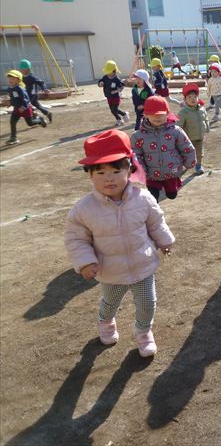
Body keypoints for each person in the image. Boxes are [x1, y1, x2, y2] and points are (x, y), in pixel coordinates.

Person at [64, 129, 176, 357]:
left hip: (143, 264)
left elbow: (156, 222)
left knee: (147, 303)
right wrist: (85, 262)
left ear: (130, 170)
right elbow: (76, 238)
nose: (109, 178)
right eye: (101, 172)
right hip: (111, 270)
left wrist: (164, 240)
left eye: (116, 171)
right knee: (110, 302)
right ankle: (106, 322)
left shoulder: (143, 198)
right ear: (90, 174)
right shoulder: (84, 208)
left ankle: (143, 332)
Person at [131, 96, 196, 202]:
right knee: (153, 198)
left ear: (167, 114)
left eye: (161, 114)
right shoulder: (138, 136)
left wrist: (189, 162)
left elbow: (186, 147)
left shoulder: (175, 131)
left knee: (172, 194)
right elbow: (135, 154)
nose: (158, 117)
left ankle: (171, 190)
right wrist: (141, 169)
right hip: (151, 174)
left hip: (171, 171)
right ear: (145, 115)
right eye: (153, 114)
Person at [4, 69, 46, 145]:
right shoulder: (10, 88)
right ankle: (13, 138)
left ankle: (40, 120)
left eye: (13, 78)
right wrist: (10, 103)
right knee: (12, 122)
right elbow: (13, 98)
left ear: (18, 80)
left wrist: (23, 107)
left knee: (30, 123)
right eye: (9, 78)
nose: (10, 80)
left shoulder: (20, 88)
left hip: (25, 109)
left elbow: (26, 99)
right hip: (17, 109)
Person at [176, 83, 209, 175]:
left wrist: (207, 127)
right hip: (188, 138)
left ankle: (198, 165)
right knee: (187, 153)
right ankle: (184, 164)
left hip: (200, 136)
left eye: (195, 96)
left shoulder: (202, 109)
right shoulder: (183, 112)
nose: (192, 99)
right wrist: (178, 136)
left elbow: (205, 118)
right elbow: (178, 125)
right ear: (185, 99)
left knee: (199, 153)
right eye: (189, 97)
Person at [18, 58, 53, 123]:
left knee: (29, 105)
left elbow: (41, 82)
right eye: (20, 69)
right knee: (35, 106)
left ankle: (37, 116)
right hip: (26, 95)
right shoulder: (21, 78)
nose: (20, 70)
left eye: (22, 69)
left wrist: (44, 89)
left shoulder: (32, 77)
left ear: (28, 69)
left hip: (33, 95)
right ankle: (46, 114)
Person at [98, 61, 129, 127]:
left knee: (115, 109)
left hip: (115, 97)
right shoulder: (105, 77)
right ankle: (119, 119)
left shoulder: (116, 79)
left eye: (109, 72)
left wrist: (115, 91)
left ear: (114, 71)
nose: (108, 73)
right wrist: (100, 83)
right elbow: (100, 81)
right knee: (112, 110)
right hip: (108, 96)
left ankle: (124, 114)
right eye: (107, 72)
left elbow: (121, 87)